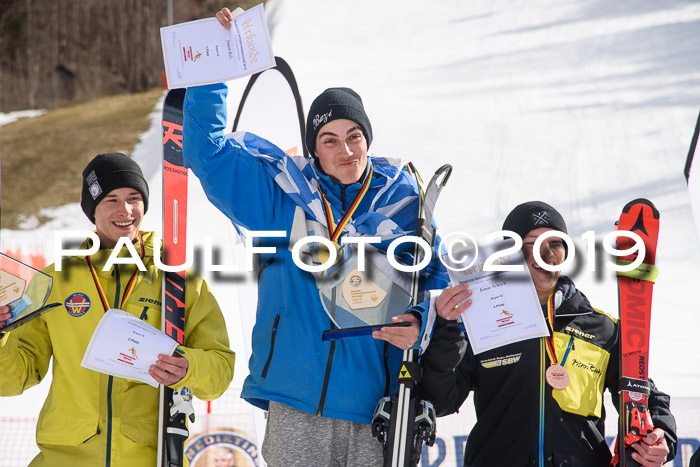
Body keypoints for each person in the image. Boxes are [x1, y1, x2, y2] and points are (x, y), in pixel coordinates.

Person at [180, 8, 454, 465]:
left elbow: (438, 282)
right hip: (295, 398)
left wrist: (419, 322)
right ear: (314, 148)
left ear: (368, 138)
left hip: (375, 405)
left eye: (353, 136)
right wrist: (214, 66)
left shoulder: (405, 204)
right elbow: (207, 154)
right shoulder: (282, 199)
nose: (345, 150)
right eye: (329, 140)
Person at [0, 152, 236, 466]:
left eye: (133, 198)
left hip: (146, 456)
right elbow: (16, 378)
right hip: (67, 457)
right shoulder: (55, 280)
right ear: (92, 210)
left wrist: (188, 366)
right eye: (111, 199)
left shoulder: (177, 279)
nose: (124, 210)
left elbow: (220, 370)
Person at [419, 201, 677, 467]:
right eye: (532, 243)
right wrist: (447, 330)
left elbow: (644, 395)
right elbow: (440, 402)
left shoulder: (603, 328)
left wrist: (660, 435)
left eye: (555, 243)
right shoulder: (482, 321)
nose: (546, 253)